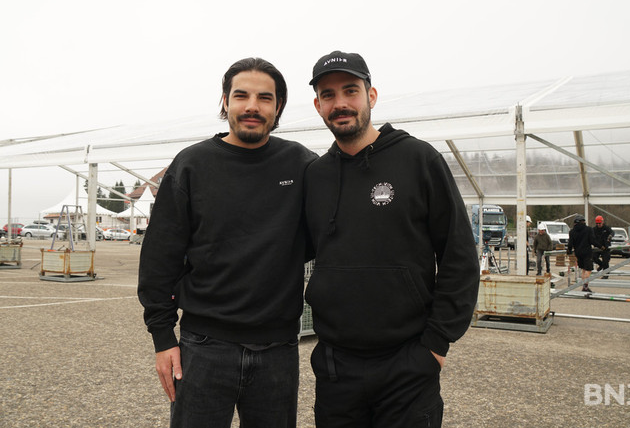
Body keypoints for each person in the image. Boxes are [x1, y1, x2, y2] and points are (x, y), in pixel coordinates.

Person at [303, 50, 480, 428]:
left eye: (350, 90)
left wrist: (435, 344)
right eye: (329, 95)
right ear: (318, 105)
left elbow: (459, 255)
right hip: (336, 368)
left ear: (372, 95)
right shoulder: (315, 176)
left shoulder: (418, 159)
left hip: (408, 363)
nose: (341, 104)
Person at [137, 57, 316, 428]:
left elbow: (328, 235)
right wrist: (162, 337)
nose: (252, 106)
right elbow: (159, 258)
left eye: (265, 98)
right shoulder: (191, 165)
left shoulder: (301, 165)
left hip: (278, 351)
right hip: (203, 348)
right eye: (241, 95)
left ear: (278, 106)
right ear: (225, 101)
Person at [566, 214, 597, 292]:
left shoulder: (572, 231)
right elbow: (593, 241)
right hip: (587, 252)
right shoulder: (588, 229)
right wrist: (601, 246)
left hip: (578, 253)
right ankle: (585, 286)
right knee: (588, 269)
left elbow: (570, 243)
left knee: (583, 269)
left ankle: (584, 286)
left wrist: (569, 250)